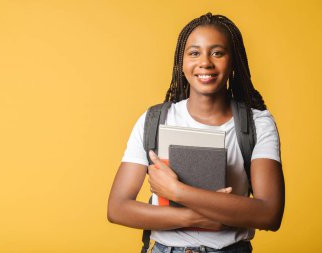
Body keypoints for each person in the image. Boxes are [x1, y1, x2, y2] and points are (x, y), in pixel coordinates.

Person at [108, 12, 285, 253]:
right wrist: (193, 218)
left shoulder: (257, 124)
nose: (205, 62)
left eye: (217, 53)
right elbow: (117, 208)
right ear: (181, 64)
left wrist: (177, 191)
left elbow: (270, 214)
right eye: (194, 53)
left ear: (233, 62)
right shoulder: (154, 121)